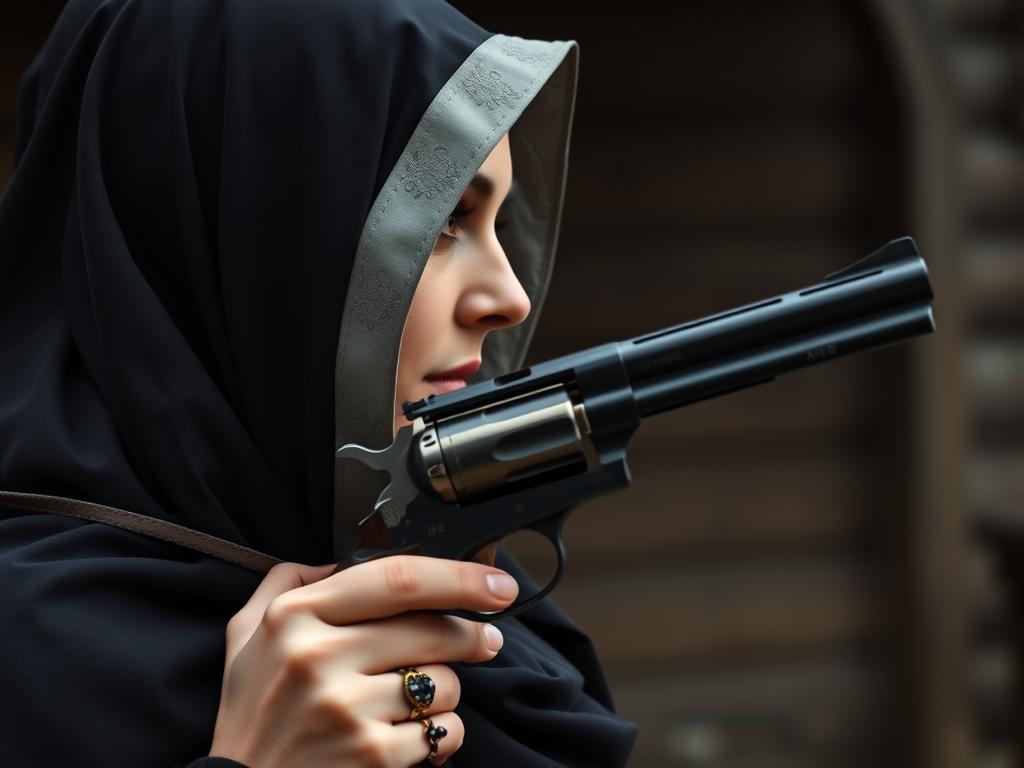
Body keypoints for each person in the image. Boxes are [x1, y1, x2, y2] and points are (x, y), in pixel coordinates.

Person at [0, 0, 638, 766]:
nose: (510, 297)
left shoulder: (452, 588)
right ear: (258, 251)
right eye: (442, 222)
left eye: (497, 221)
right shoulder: (24, 663)